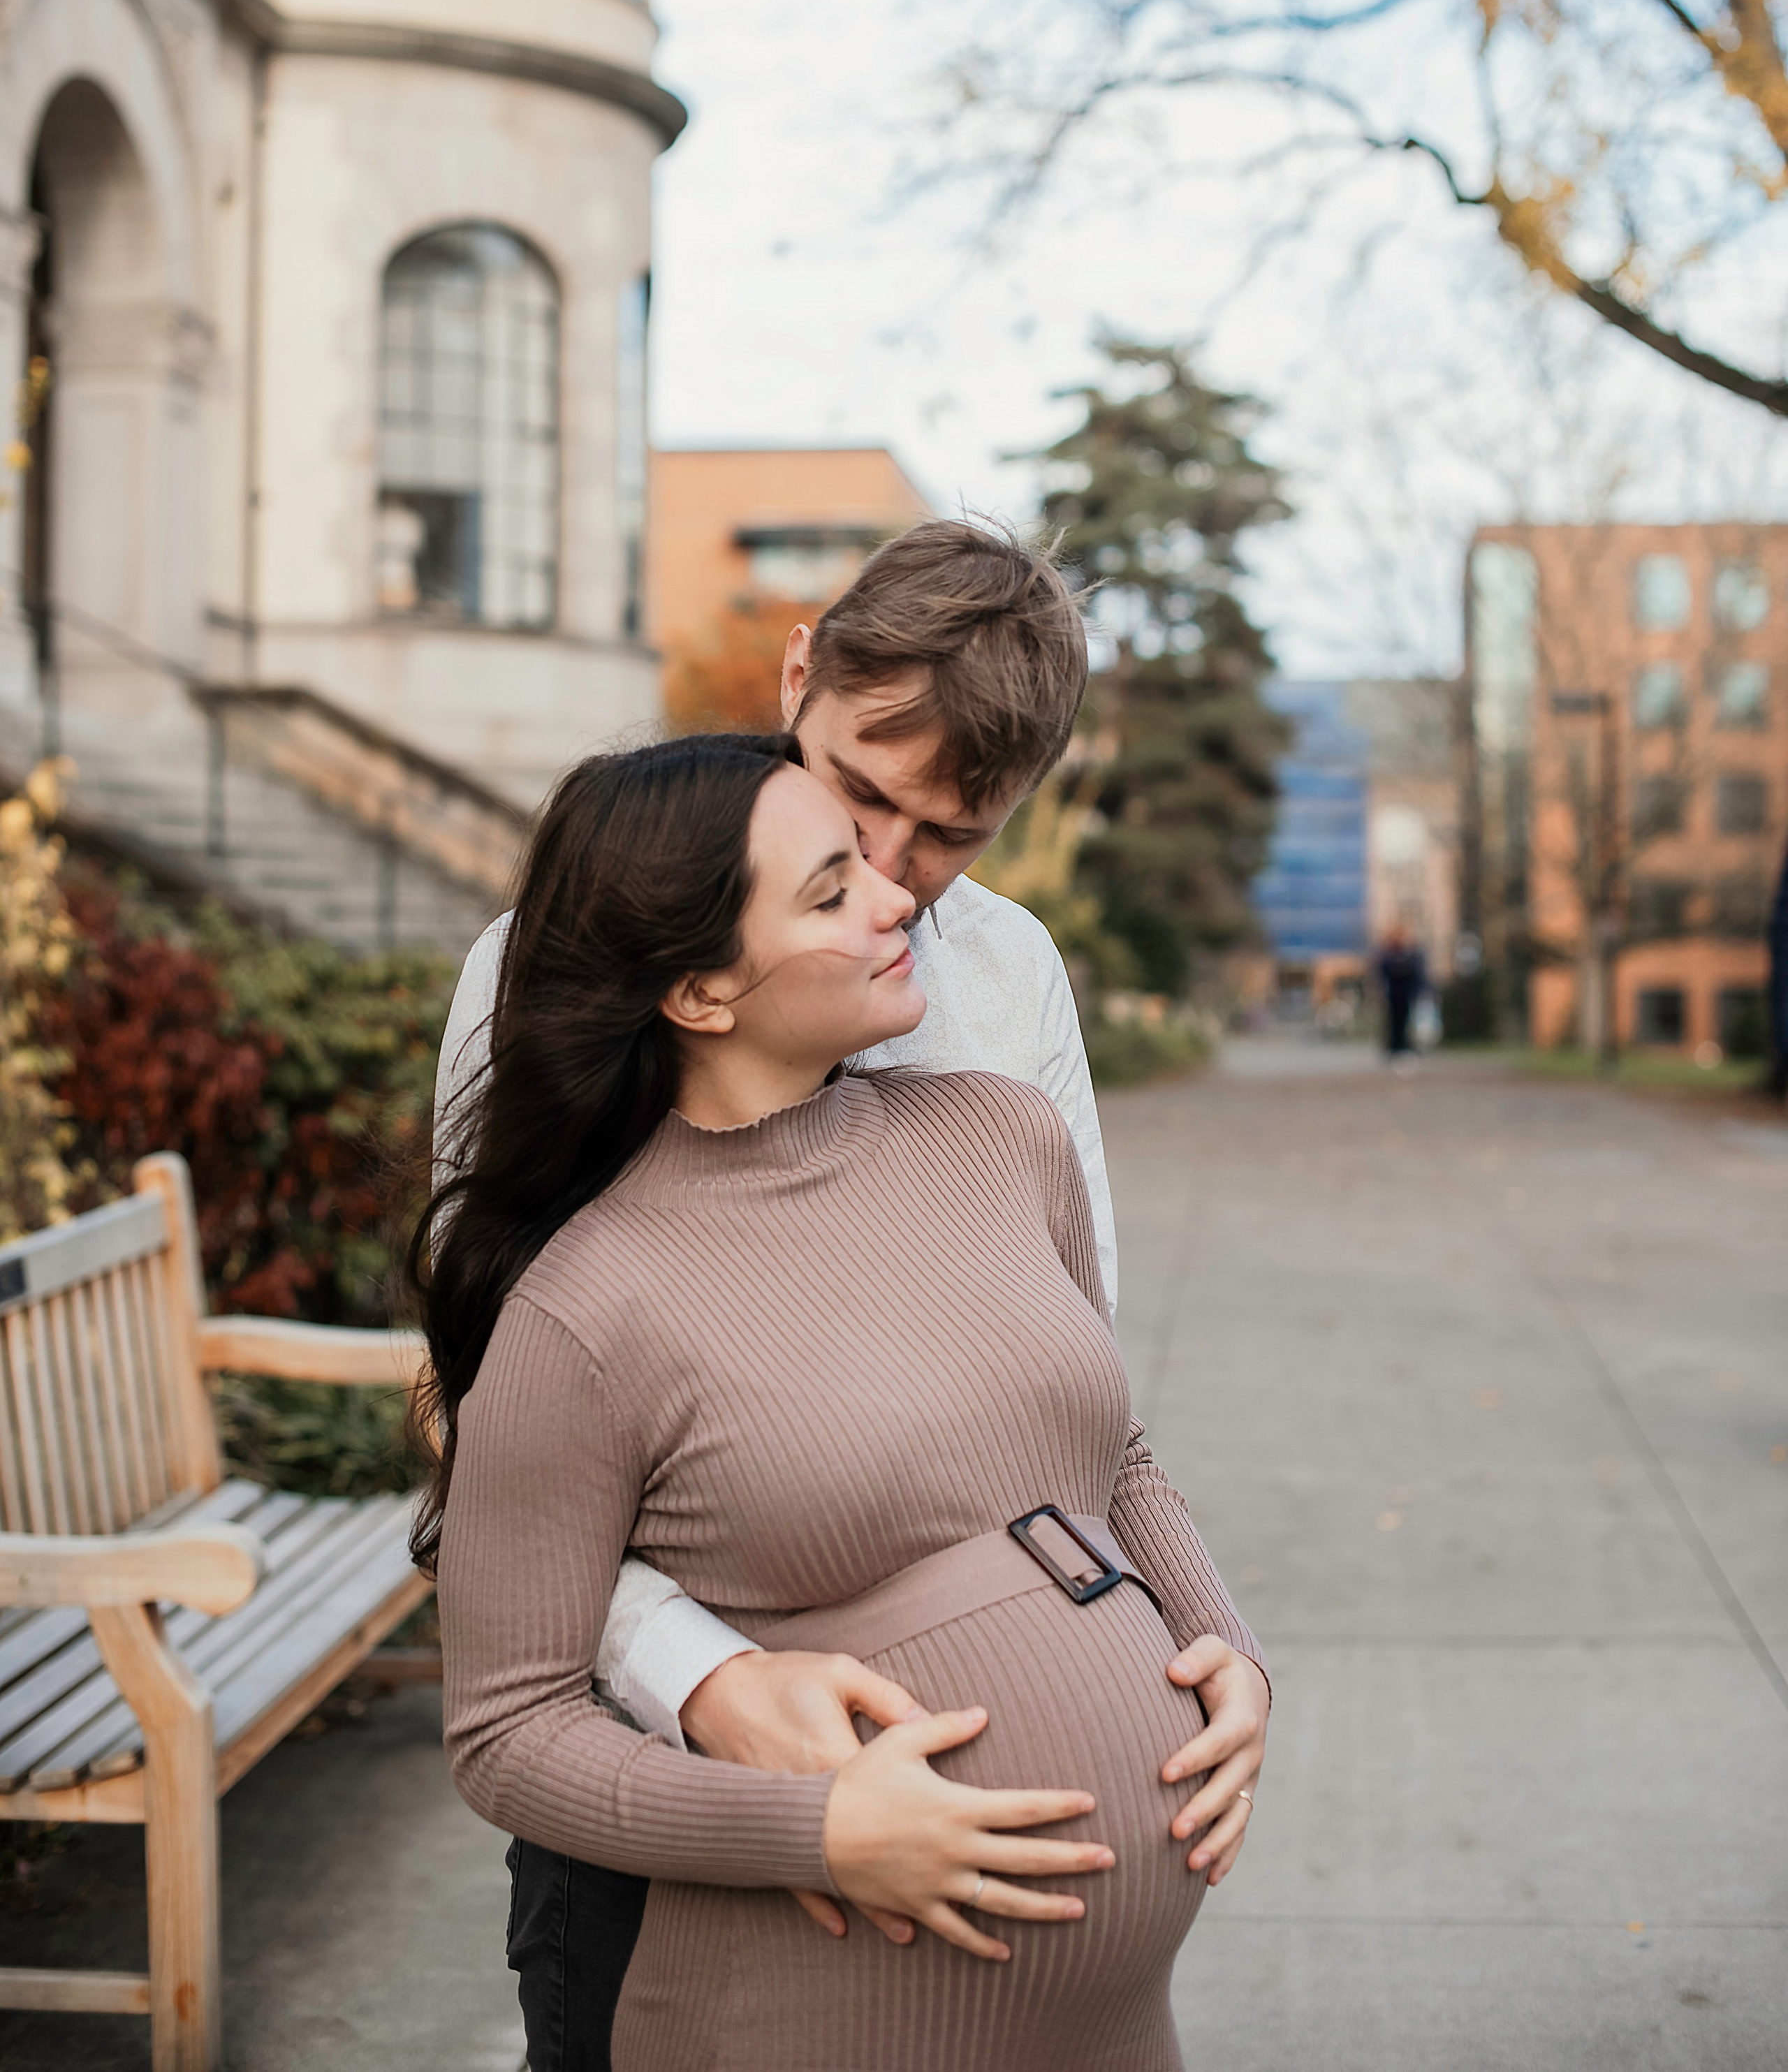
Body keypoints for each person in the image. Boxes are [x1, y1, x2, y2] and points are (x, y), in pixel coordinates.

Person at [432, 522, 1270, 2070]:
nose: (889, 872)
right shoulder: (557, 969)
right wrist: (708, 1683)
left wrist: (1204, 1632)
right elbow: (491, 1413)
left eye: (942, 835)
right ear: (798, 671)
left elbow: (1081, 1411)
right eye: (858, 799)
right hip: (684, 1832)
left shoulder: (1003, 990)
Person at [1375, 920, 1428, 1068]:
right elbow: (1381, 973)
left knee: (1408, 1021)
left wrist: (1421, 991)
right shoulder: (1387, 955)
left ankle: (1406, 1047)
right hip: (1393, 996)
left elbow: (1419, 975)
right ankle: (1394, 1048)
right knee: (1394, 1023)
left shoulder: (1412, 954)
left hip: (1408, 995)